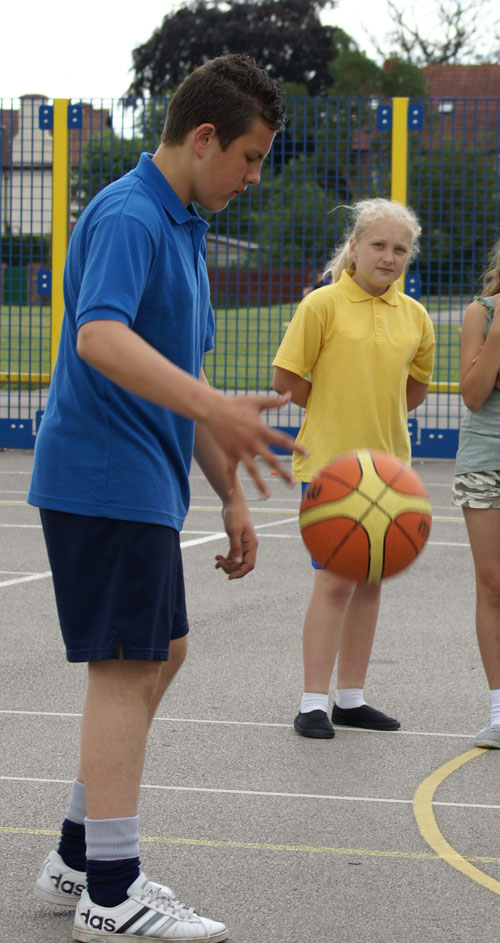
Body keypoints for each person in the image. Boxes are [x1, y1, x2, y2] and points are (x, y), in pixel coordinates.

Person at [28, 54, 307, 943]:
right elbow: (102, 339)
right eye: (251, 157)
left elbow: (176, 378)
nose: (253, 177)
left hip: (144, 482)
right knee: (125, 669)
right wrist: (214, 407)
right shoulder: (128, 214)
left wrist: (226, 491)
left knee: (164, 651)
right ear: (202, 138)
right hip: (101, 477)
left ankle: (79, 849)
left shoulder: (182, 226)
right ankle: (112, 890)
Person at [272, 198, 435, 739]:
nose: (388, 257)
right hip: (331, 469)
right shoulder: (322, 305)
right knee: (336, 585)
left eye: (399, 249)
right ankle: (312, 702)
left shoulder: (415, 316)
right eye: (379, 246)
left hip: (391, 475)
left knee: (369, 586)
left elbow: (413, 391)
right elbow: (287, 381)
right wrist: (334, 405)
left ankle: (351, 698)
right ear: (354, 247)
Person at [452, 241, 500, 749]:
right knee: (493, 586)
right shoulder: (480, 313)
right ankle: (499, 711)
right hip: (487, 459)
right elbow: (472, 394)